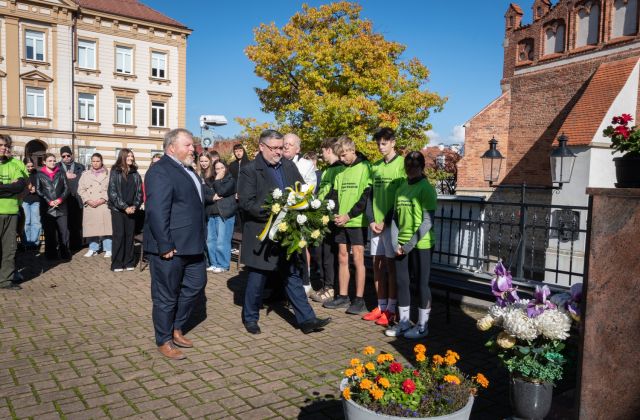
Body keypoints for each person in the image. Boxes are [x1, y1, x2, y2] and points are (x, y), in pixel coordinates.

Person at [237, 129, 331, 335]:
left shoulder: (288, 165)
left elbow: (302, 189)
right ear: (262, 147)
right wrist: (274, 210)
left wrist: (300, 208)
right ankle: (250, 318)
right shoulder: (250, 170)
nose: (279, 152)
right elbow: (246, 203)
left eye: (281, 148)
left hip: (287, 233)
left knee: (292, 276)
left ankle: (307, 320)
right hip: (262, 234)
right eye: (274, 148)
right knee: (257, 279)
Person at [144, 128, 207, 360]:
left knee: (196, 284)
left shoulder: (188, 170)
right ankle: (164, 339)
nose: (194, 149)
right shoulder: (160, 171)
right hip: (170, 247)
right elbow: (156, 210)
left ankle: (176, 327)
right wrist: (164, 244)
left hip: (193, 245)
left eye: (193, 145)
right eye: (188, 145)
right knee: (166, 295)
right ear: (172, 147)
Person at [384, 151, 437, 339]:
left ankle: (423, 325)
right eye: (408, 166)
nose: (411, 170)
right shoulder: (401, 188)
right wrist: (395, 242)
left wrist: (408, 245)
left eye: (415, 166)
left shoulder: (426, 189)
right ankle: (404, 322)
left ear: (422, 167)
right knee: (402, 282)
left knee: (421, 285)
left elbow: (427, 222)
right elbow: (396, 219)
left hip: (421, 244)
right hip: (401, 244)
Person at [323, 135, 371, 315]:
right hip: (340, 220)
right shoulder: (340, 171)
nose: (341, 159)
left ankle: (359, 299)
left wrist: (349, 215)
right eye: (339, 156)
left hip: (356, 221)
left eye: (344, 155)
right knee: (342, 257)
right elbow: (334, 196)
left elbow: (365, 196)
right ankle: (343, 296)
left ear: (352, 150)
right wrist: (333, 213)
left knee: (358, 259)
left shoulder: (365, 168)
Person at [362, 128, 405, 327]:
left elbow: (400, 198)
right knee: (376, 265)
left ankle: (391, 308)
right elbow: (369, 196)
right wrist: (371, 219)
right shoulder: (375, 166)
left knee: (390, 267)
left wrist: (386, 221)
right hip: (375, 225)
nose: (381, 147)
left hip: (391, 225)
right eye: (378, 143)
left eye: (384, 143)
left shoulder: (402, 164)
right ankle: (380, 306)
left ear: (393, 143)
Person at [308, 138, 345, 303]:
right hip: (321, 215)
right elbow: (322, 191)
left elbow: (335, 193)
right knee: (321, 252)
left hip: (332, 216)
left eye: (322, 151)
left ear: (328, 150)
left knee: (329, 254)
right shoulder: (327, 170)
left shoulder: (340, 169)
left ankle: (330, 287)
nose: (321, 154)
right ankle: (324, 285)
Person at [0, 135, 28, 290]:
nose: (4, 148)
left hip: (12, 211)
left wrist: (4, 188)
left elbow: (19, 187)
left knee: (9, 248)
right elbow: (13, 188)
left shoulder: (14, 164)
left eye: (6, 145)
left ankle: (5, 281)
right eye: (1, 145)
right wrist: (9, 188)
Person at [108, 148, 143, 272]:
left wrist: (135, 206)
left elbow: (139, 193)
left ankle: (129, 261)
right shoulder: (115, 172)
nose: (131, 158)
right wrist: (124, 207)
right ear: (122, 157)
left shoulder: (136, 173)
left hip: (132, 210)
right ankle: (117, 262)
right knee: (119, 235)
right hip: (118, 210)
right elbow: (112, 193)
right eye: (128, 156)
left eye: (132, 156)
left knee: (129, 236)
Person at [204, 160, 237, 273]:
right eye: (217, 169)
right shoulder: (209, 181)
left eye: (222, 168)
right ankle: (213, 263)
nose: (219, 171)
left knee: (222, 241)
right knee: (210, 240)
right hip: (211, 213)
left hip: (224, 214)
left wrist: (217, 180)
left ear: (226, 168)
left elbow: (222, 191)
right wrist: (212, 197)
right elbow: (205, 194)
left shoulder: (231, 180)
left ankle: (223, 264)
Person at [36, 153, 70, 260]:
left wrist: (60, 199)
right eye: (50, 161)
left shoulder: (61, 172)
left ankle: (65, 253)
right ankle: (51, 254)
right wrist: (48, 201)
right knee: (50, 232)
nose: (53, 162)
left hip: (61, 206)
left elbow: (67, 188)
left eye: (54, 160)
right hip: (48, 208)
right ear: (44, 162)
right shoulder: (40, 174)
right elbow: (38, 190)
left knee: (63, 231)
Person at [78, 153, 112, 257]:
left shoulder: (108, 174)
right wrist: (88, 200)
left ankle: (108, 248)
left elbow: (111, 189)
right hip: (90, 204)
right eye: (93, 161)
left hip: (103, 204)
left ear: (101, 161)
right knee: (91, 228)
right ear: (91, 162)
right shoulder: (85, 174)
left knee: (106, 227)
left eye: (97, 161)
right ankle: (93, 248)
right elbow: (80, 189)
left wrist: (103, 199)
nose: (95, 163)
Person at [58, 146, 85, 251]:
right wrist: (65, 175)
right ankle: (65, 245)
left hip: (77, 198)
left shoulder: (80, 167)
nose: (66, 158)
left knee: (77, 223)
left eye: (68, 155)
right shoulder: (57, 167)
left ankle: (76, 245)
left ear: (71, 155)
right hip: (63, 199)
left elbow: (84, 180)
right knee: (64, 224)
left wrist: (75, 176)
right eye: (63, 156)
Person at [21, 157, 41, 251]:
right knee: (26, 222)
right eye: (28, 166)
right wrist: (28, 189)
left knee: (36, 222)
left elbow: (41, 186)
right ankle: (27, 242)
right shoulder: (21, 174)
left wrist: (36, 189)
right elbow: (19, 188)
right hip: (25, 200)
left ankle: (35, 242)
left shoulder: (37, 174)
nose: (30, 168)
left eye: (31, 166)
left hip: (35, 200)